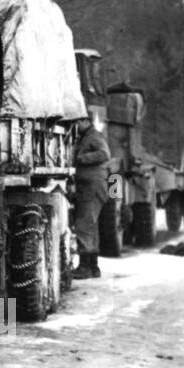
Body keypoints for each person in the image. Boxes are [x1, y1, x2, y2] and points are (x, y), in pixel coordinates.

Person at [72, 115, 111, 279]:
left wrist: (81, 159)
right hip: (92, 186)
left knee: (84, 225)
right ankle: (93, 267)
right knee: (91, 227)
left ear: (87, 122)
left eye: (79, 122)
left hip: (92, 187)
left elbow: (105, 153)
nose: (77, 125)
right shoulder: (87, 137)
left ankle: (85, 267)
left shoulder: (93, 136)